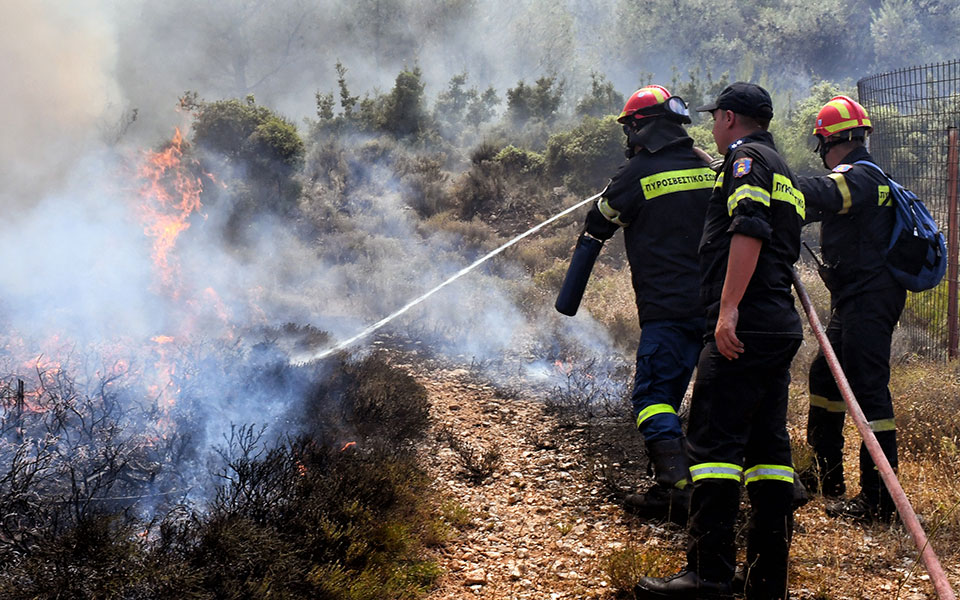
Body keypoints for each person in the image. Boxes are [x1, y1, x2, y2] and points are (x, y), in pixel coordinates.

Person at [635, 82, 804, 600]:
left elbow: (748, 228)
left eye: (714, 118)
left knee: (712, 448)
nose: (711, 127)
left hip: (744, 325)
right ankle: (766, 580)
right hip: (778, 324)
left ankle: (707, 576)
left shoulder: (745, 161)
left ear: (729, 117)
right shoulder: (781, 166)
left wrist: (728, 309)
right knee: (769, 454)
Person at [578, 85, 714, 522]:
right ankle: (750, 486)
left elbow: (600, 220)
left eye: (630, 128)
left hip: (668, 310)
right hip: (718, 306)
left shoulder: (636, 173)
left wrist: (616, 186)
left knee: (654, 396)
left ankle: (674, 489)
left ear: (640, 127)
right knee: (723, 400)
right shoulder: (710, 167)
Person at [799, 95, 905, 523]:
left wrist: (773, 178)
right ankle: (826, 476)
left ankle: (879, 500)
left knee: (868, 390)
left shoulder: (860, 177)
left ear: (830, 141)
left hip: (870, 298)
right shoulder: (859, 177)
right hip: (854, 298)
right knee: (824, 378)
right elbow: (812, 206)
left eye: (821, 144)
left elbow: (822, 192)